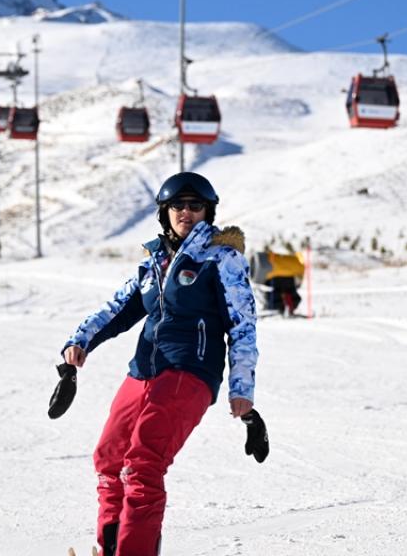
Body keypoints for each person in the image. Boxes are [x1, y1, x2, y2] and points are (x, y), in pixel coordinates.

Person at [57, 172, 262, 556]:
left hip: (190, 370)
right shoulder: (155, 260)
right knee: (109, 458)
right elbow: (118, 308)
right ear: (164, 212)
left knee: (143, 463)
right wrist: (80, 340)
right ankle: (111, 546)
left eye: (195, 205)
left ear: (207, 212)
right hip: (144, 371)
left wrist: (241, 389)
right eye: (177, 205)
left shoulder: (221, 258)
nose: (186, 212)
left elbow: (242, 325)